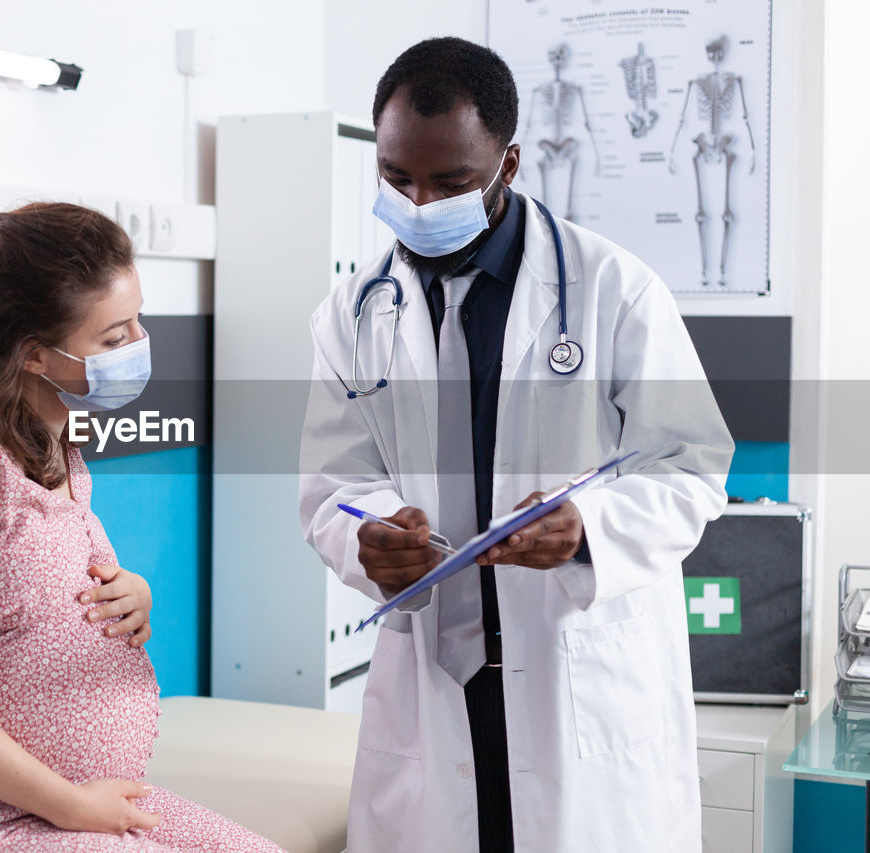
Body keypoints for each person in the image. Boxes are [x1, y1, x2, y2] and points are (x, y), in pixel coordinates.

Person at [299, 38, 733, 853]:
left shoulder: (613, 288)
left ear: (509, 164)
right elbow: (334, 481)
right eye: (397, 178)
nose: (420, 202)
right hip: (434, 682)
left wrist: (590, 527)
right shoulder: (351, 313)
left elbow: (690, 465)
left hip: (575, 672)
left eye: (451, 182)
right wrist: (372, 532)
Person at [0, 201, 280, 852]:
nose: (138, 346)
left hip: (61, 804)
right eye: (114, 337)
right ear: (33, 354)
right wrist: (74, 803)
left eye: (138, 321)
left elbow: (40, 596)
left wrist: (135, 595)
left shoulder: (56, 449)